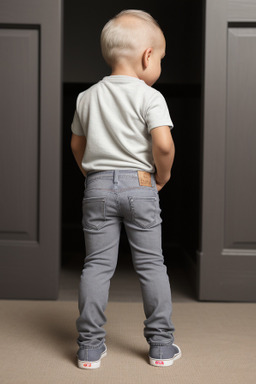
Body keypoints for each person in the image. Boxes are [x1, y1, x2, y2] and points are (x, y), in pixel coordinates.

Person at [71, 9, 181, 369]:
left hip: (97, 185)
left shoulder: (86, 97)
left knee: (97, 266)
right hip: (141, 185)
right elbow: (163, 145)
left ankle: (89, 348)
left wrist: (93, 174)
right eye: (161, 58)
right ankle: (161, 347)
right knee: (151, 265)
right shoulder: (150, 97)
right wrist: (161, 176)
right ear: (148, 56)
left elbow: (76, 145)